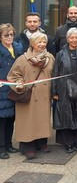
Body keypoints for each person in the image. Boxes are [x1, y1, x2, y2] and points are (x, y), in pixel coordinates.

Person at [7, 32, 55, 159]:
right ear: (32, 43)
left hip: (44, 95)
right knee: (28, 122)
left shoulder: (50, 57)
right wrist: (19, 83)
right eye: (39, 42)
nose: (42, 44)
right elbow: (13, 76)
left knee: (42, 120)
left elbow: (54, 75)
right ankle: (27, 146)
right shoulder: (22, 59)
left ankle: (41, 143)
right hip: (28, 95)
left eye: (44, 42)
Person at [0, 24, 23, 159]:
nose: (9, 37)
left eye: (11, 35)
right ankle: (1, 147)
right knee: (2, 120)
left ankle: (8, 144)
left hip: (14, 88)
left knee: (11, 118)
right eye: (6, 35)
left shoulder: (18, 48)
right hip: (2, 89)